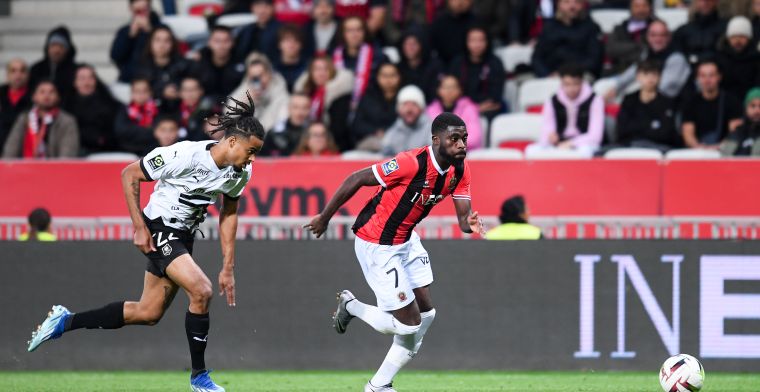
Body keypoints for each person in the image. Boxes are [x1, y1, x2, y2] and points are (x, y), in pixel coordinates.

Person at [26, 93, 266, 392]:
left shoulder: (240, 173)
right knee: (202, 291)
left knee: (148, 312)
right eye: (251, 150)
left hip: (183, 236)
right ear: (232, 142)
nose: (253, 158)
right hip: (159, 228)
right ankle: (199, 377)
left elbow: (229, 213)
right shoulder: (185, 155)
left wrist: (228, 266)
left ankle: (64, 321)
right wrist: (139, 226)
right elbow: (130, 174)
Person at [304, 112, 484, 392]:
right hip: (376, 242)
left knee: (427, 316)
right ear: (436, 140)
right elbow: (357, 178)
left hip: (407, 238)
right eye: (454, 138)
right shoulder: (410, 163)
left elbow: (463, 220)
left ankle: (379, 385)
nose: (462, 144)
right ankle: (352, 307)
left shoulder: (460, 170)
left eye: (464, 138)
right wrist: (325, 217)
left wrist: (469, 223)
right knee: (409, 325)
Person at [528, 63, 605, 157]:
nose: (571, 89)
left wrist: (572, 143)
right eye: (567, 84)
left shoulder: (595, 100)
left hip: (584, 144)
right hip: (560, 143)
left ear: (582, 82)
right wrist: (550, 136)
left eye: (575, 84)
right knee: (531, 150)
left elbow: (595, 136)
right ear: (561, 82)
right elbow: (546, 129)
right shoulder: (553, 100)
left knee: (584, 152)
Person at [605, 19, 691, 100]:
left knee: (629, 93)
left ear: (669, 37)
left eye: (662, 35)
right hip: (649, 96)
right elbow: (632, 72)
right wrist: (616, 88)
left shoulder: (676, 58)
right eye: (653, 35)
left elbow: (665, 87)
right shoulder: (648, 53)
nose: (657, 39)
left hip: (669, 103)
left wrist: (634, 96)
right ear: (647, 37)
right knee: (603, 87)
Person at [2, 81, 80, 158]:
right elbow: (11, 148)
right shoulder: (24, 118)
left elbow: (67, 154)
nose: (47, 95)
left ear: (58, 97)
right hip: (26, 168)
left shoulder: (67, 121)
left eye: (51, 92)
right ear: (34, 97)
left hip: (55, 168)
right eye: (42, 92)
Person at [615, 60, 680, 151]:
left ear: (659, 77)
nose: (650, 78)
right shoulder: (629, 100)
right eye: (646, 74)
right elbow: (622, 130)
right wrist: (651, 126)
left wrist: (639, 127)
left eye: (654, 74)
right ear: (638, 77)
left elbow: (667, 134)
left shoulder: (667, 102)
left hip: (659, 147)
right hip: (631, 145)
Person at [294, 55, 354, 150]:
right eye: (317, 69)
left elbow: (339, 130)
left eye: (326, 69)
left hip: (333, 144)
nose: (321, 73)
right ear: (311, 73)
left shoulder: (340, 95)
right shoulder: (305, 92)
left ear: (332, 72)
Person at [332, 16, 387, 119]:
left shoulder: (378, 57)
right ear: (343, 34)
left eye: (359, 30)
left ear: (364, 32)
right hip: (340, 111)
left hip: (371, 109)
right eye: (350, 30)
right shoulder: (333, 57)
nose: (354, 34)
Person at [532, 0, 604, 78]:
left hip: (579, 75)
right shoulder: (549, 27)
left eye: (577, 2)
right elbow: (537, 57)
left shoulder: (592, 28)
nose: (572, 7)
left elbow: (593, 60)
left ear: (583, 5)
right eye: (566, 2)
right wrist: (546, 74)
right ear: (558, 4)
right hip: (549, 73)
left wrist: (566, 73)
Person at [680, 60, 743, 149]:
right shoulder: (690, 103)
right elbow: (688, 134)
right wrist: (699, 148)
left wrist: (719, 147)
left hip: (724, 151)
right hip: (697, 152)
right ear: (697, 78)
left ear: (719, 77)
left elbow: (734, 132)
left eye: (711, 75)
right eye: (703, 76)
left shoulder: (731, 101)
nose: (707, 80)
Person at [448, 25, 505, 120]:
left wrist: (477, 109)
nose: (477, 44)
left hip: (487, 111)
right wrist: (472, 108)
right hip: (460, 109)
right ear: (466, 42)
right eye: (472, 40)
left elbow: (495, 97)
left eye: (481, 40)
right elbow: (452, 90)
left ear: (487, 41)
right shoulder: (457, 63)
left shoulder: (495, 63)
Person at [64, 64, 121, 154]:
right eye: (82, 78)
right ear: (74, 82)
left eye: (90, 78)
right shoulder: (66, 107)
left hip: (108, 151)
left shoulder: (111, 104)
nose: (87, 83)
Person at [229, 53, 289, 133]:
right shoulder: (246, 87)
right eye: (253, 77)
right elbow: (228, 114)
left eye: (260, 75)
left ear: (269, 73)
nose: (257, 81)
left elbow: (281, 123)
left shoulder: (281, 93)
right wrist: (246, 103)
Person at [134, 26, 195, 104]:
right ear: (150, 42)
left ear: (172, 43)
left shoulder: (184, 65)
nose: (162, 45)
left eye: (167, 41)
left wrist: (180, 91)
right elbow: (139, 94)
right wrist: (161, 93)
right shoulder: (141, 67)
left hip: (181, 108)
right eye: (157, 40)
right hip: (151, 111)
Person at [352, 62, 402, 152]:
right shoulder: (368, 97)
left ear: (399, 77)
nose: (388, 79)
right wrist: (376, 131)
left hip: (399, 142)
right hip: (371, 141)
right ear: (377, 77)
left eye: (392, 75)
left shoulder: (405, 97)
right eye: (384, 75)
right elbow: (357, 125)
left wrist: (387, 132)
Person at [110, 0, 162, 83]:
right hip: (129, 80)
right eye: (138, 11)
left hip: (155, 80)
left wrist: (149, 32)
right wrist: (129, 36)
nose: (141, 15)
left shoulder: (160, 29)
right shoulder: (124, 31)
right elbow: (115, 56)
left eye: (144, 10)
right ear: (131, 9)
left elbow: (164, 52)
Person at [425, 75, 482, 150]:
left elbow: (475, 138)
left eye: (453, 87)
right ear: (439, 90)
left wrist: (452, 144)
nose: (449, 91)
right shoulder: (430, 111)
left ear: (460, 90)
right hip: (438, 155)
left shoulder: (469, 109)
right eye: (446, 87)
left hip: (464, 153)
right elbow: (426, 137)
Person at [196, 25, 246, 104]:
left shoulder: (241, 63)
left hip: (234, 108)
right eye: (217, 41)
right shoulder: (199, 61)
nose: (222, 46)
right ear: (209, 42)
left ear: (232, 43)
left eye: (226, 41)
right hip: (205, 107)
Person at [716, 16, 760, 103]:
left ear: (749, 38)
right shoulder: (720, 58)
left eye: (742, 36)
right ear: (728, 38)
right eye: (734, 37)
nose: (738, 40)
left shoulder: (756, 59)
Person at [29, 26, 78, 100]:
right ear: (47, 48)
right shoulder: (36, 69)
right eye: (53, 45)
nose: (56, 50)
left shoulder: (76, 71)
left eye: (61, 46)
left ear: (68, 49)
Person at [605, 0, 654, 75]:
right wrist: (637, 46)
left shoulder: (656, 27)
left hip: (646, 74)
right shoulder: (620, 28)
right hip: (619, 72)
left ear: (650, 7)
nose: (641, 10)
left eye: (644, 6)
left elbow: (650, 51)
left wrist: (624, 50)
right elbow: (611, 49)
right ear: (630, 8)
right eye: (637, 6)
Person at [382, 85, 433, 156]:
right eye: (405, 104)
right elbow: (384, 154)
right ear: (399, 109)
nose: (409, 109)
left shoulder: (432, 130)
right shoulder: (394, 129)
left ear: (421, 108)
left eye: (414, 104)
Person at [396, 26, 443, 102]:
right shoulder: (398, 68)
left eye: (414, 44)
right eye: (407, 44)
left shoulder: (434, 67)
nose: (410, 48)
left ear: (421, 45)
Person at [672, 0, 725, 65]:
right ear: (696, 2)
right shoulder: (682, 31)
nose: (705, 2)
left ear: (716, 2)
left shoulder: (725, 28)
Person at [115, 78, 160, 155]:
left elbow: (161, 132)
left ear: (150, 93)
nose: (141, 95)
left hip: (153, 150)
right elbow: (121, 131)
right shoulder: (124, 109)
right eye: (137, 91)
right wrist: (148, 130)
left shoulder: (158, 109)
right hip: (129, 150)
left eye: (144, 91)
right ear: (132, 93)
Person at [164, 77, 215, 142]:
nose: (190, 94)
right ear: (179, 93)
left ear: (201, 91)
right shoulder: (171, 110)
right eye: (185, 90)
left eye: (193, 89)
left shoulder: (210, 110)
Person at [0, 59, 31, 149]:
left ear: (28, 75)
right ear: (7, 75)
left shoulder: (36, 97)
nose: (18, 75)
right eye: (13, 71)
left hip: (25, 149)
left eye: (22, 71)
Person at [720, 87, 760, 157]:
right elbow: (724, 158)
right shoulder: (737, 132)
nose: (757, 111)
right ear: (745, 108)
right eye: (752, 106)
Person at [272, 24, 309, 92]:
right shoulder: (271, 69)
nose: (291, 44)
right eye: (287, 40)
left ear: (301, 45)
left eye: (296, 40)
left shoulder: (309, 68)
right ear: (279, 44)